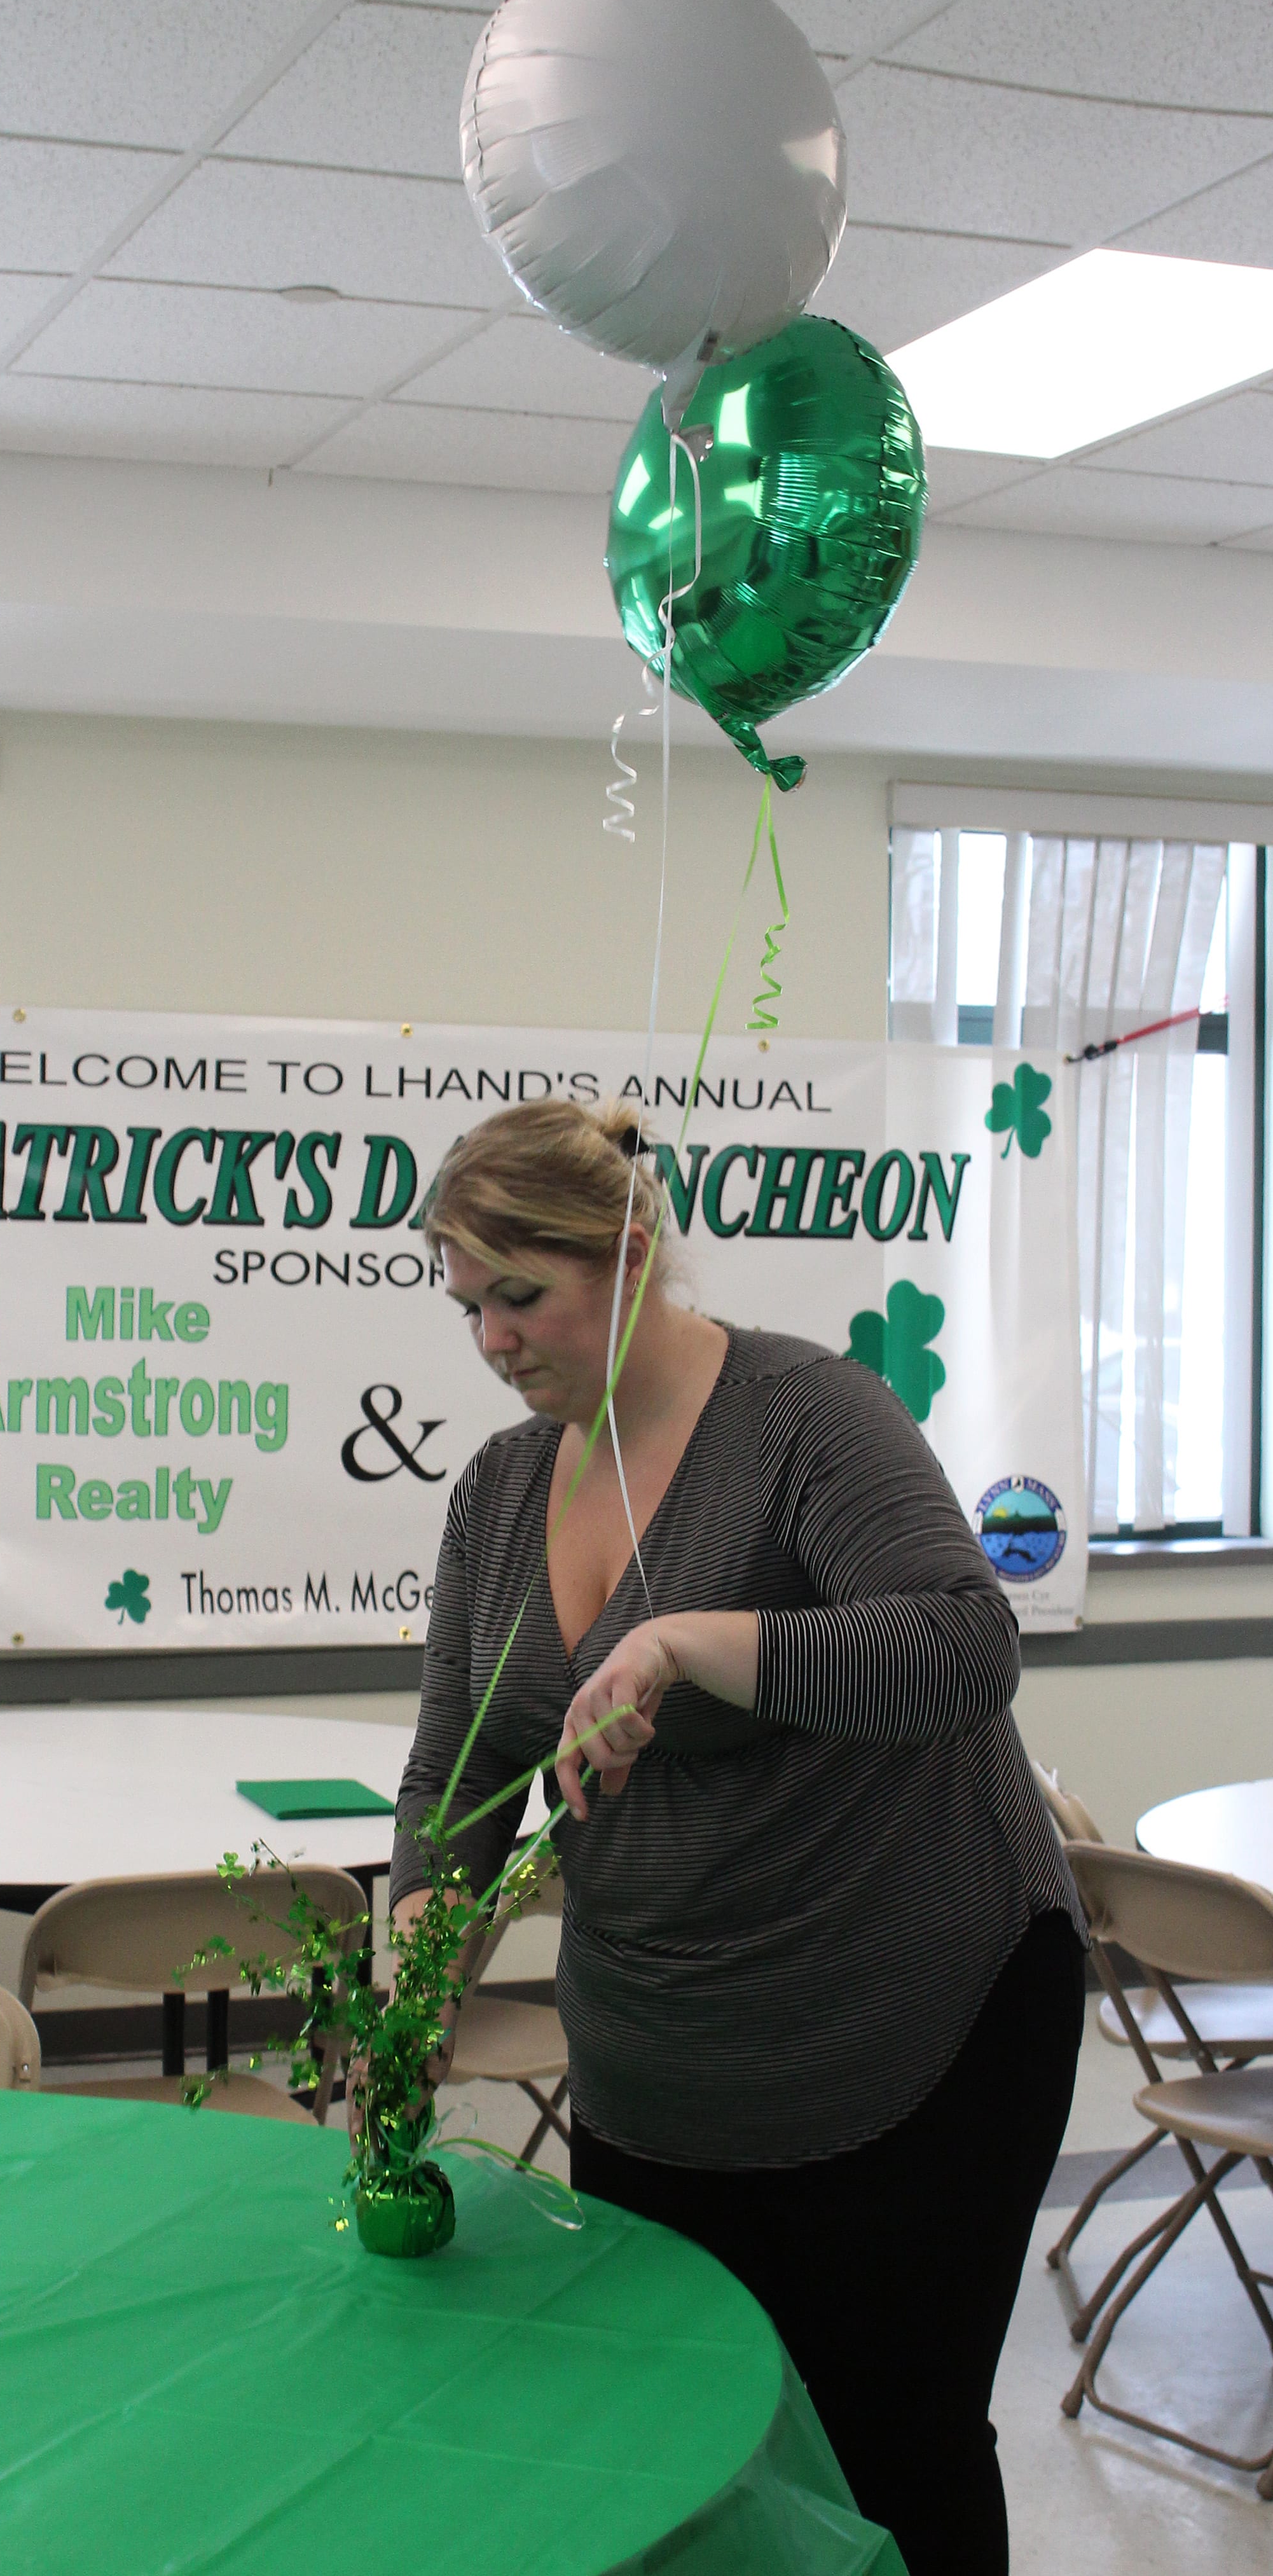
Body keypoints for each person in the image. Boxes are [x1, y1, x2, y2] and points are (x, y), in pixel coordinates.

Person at [389, 1097, 1084, 2576]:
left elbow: (963, 1649)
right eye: (469, 1307)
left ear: (631, 1252)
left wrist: (692, 1640)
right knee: (679, 2437)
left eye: (521, 1295)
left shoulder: (804, 1416)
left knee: (887, 2440)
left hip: (914, 2018)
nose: (494, 1341)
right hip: (663, 2050)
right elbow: (457, 1768)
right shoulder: (505, 1488)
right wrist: (416, 1944)